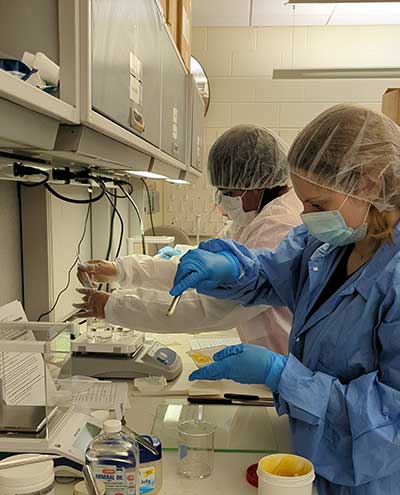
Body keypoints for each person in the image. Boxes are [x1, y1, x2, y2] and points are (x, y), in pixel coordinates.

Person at [169, 104, 400, 495]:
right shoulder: (333, 243)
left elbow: (391, 413)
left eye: (316, 203)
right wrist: (231, 269)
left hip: (375, 487)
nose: (307, 216)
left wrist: (282, 376)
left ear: (370, 183)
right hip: (319, 455)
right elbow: (275, 270)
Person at [74, 125, 302, 354]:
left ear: (257, 185)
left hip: (283, 361)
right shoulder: (254, 218)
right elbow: (195, 270)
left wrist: (114, 306)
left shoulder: (278, 227)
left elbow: (215, 308)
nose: (222, 202)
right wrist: (122, 270)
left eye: (229, 193)